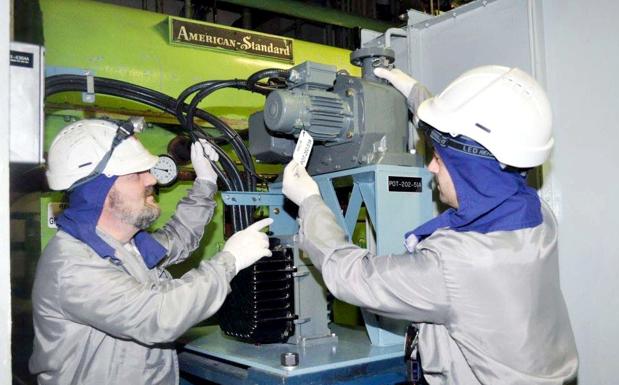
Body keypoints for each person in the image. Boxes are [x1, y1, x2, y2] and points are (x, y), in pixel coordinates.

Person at [281, 66, 578, 384]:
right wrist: (417, 96)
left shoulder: (456, 265)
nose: (430, 166)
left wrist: (310, 202)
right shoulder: (536, 214)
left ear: (471, 172)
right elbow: (476, 142)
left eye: (439, 157)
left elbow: (349, 275)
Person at [30, 119, 272, 385]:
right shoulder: (73, 266)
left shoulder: (126, 246)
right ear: (100, 190)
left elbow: (177, 238)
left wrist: (205, 181)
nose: (153, 179)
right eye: (136, 174)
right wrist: (230, 261)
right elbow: (159, 314)